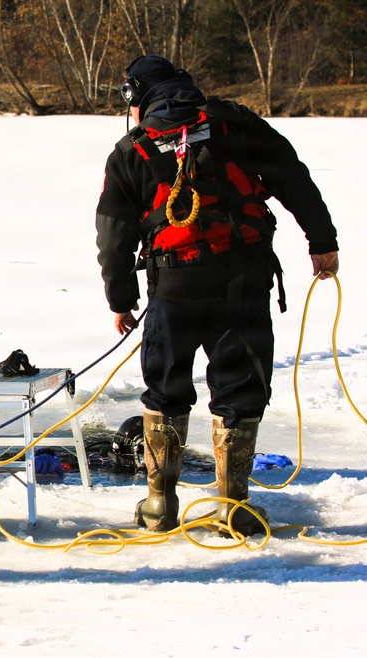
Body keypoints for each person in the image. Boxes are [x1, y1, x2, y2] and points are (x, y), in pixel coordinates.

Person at [95, 55, 339, 536]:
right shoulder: (236, 123)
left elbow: (113, 235)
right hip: (242, 281)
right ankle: (234, 506)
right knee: (240, 391)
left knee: (165, 393)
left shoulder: (131, 150)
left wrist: (120, 300)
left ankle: (159, 506)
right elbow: (293, 177)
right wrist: (323, 243)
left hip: (173, 285)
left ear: (136, 98)